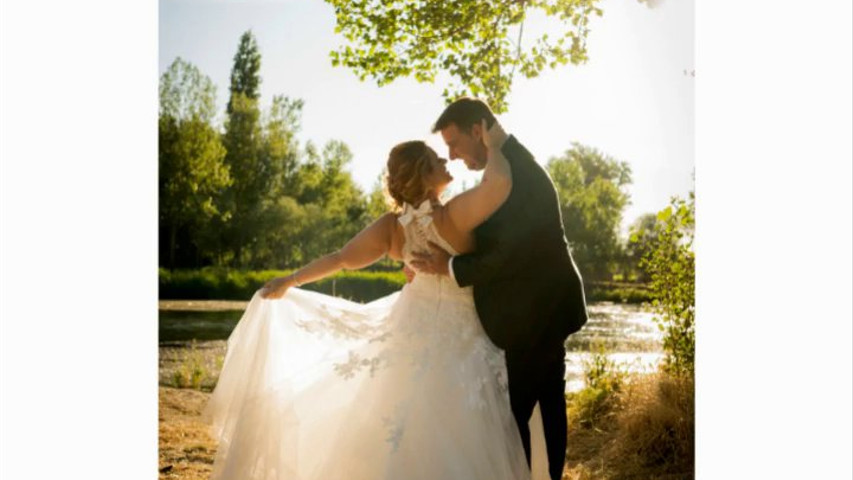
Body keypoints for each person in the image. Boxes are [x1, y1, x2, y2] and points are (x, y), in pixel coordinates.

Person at [202, 120, 548, 480]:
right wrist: (492, 140)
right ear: (424, 175)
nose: (447, 162)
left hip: (412, 330)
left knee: (399, 425)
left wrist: (291, 280)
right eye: (436, 159)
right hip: (464, 336)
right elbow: (501, 184)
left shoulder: (392, 227)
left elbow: (340, 258)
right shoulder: (453, 213)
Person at [410, 97, 588, 480]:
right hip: (539, 308)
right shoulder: (507, 162)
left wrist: (451, 266)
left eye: (454, 144)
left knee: (514, 415)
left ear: (478, 131)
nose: (453, 156)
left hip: (537, 310)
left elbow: (510, 252)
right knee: (546, 404)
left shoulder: (517, 172)